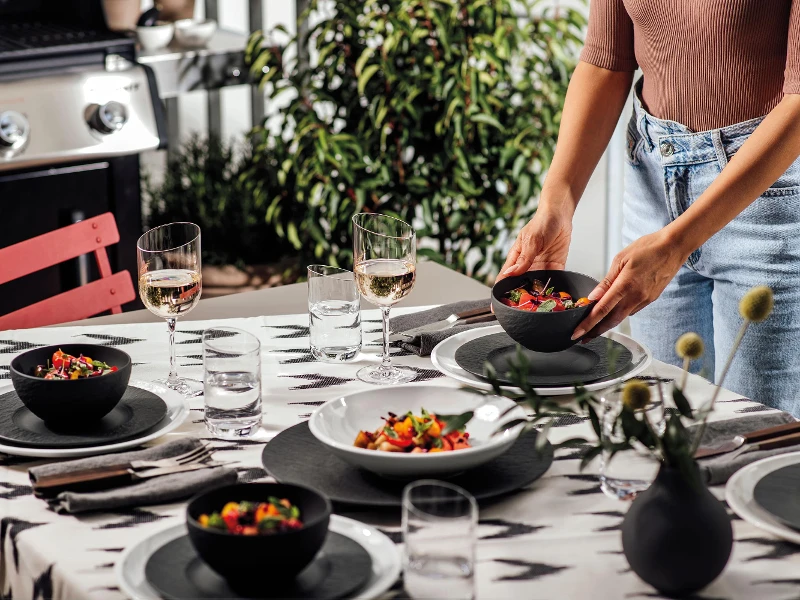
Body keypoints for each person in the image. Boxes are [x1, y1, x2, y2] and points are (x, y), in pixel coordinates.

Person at [498, 1, 800, 413]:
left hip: (768, 198)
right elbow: (606, 61)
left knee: (757, 431)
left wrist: (677, 243)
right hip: (651, 185)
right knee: (659, 420)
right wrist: (556, 203)